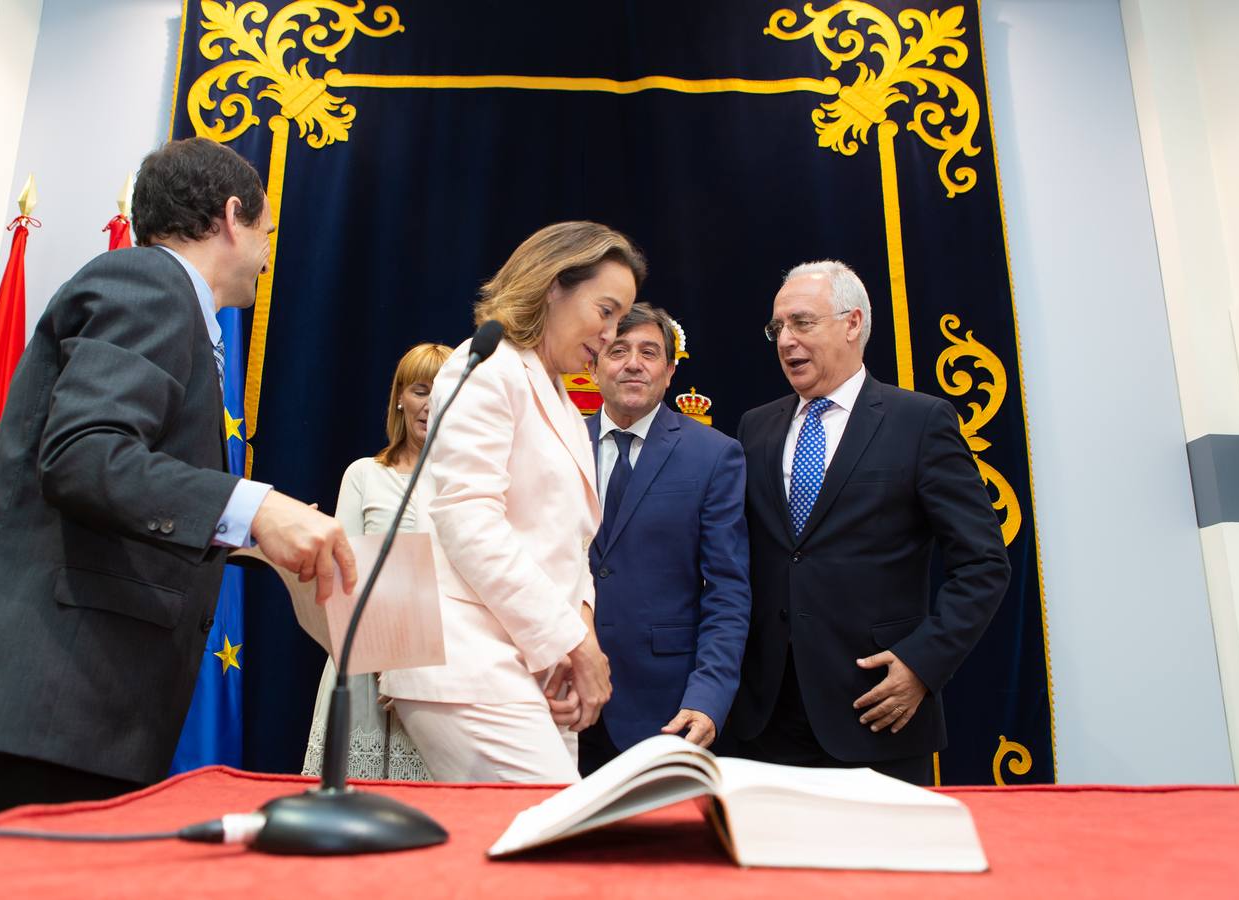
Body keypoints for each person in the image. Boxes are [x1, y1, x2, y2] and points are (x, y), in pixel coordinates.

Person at [0, 137, 356, 820]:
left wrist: (254, 535)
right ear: (234, 216)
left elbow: (127, 485)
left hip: (58, 699)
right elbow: (86, 456)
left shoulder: (161, 297)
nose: (268, 252)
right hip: (49, 692)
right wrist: (254, 506)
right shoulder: (149, 284)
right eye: (268, 230)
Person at [381, 221, 644, 783]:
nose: (612, 332)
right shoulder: (487, 369)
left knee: (532, 849)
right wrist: (572, 646)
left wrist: (574, 652)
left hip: (526, 662)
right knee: (551, 836)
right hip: (464, 660)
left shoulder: (567, 406)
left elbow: (569, 555)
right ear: (554, 286)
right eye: (606, 310)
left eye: (622, 317)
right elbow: (468, 522)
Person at [728, 259, 1009, 785]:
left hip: (877, 709)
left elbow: (983, 563)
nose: (785, 340)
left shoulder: (920, 422)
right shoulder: (755, 427)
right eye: (777, 328)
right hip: (765, 719)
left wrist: (923, 664)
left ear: (853, 323)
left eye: (802, 323)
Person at [577, 304, 751, 776]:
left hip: (670, 712)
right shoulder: (561, 443)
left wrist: (709, 697)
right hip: (564, 703)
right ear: (592, 366)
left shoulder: (714, 455)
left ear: (670, 370)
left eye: (649, 352)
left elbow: (728, 592)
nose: (633, 363)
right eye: (618, 350)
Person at [302, 342, 451, 781]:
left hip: (442, 669)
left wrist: (418, 668)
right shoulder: (364, 474)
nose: (431, 404)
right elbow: (342, 574)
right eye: (421, 390)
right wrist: (389, 658)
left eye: (445, 391)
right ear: (401, 399)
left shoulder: (472, 482)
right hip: (366, 664)